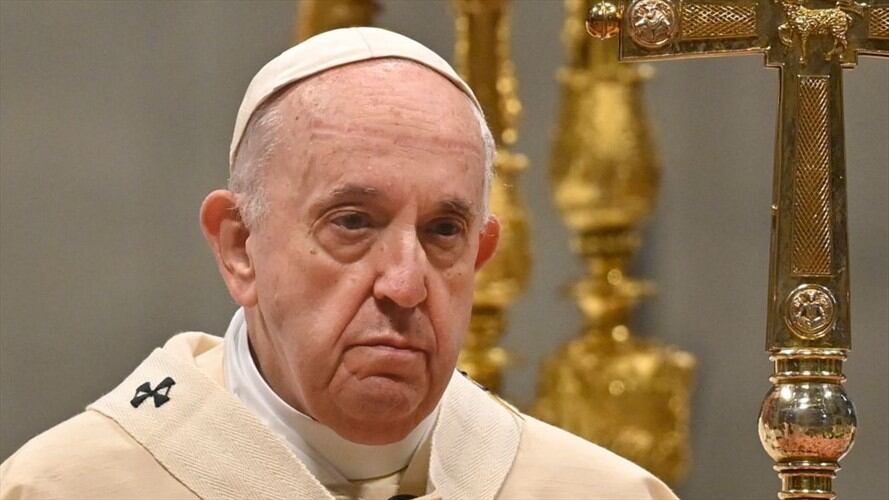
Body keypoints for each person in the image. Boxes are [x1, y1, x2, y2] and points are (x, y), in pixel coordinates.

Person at [0, 27, 677, 500]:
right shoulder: (71, 487)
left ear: (480, 258)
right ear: (239, 247)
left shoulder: (596, 493)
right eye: (352, 222)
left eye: (444, 231)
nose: (406, 285)